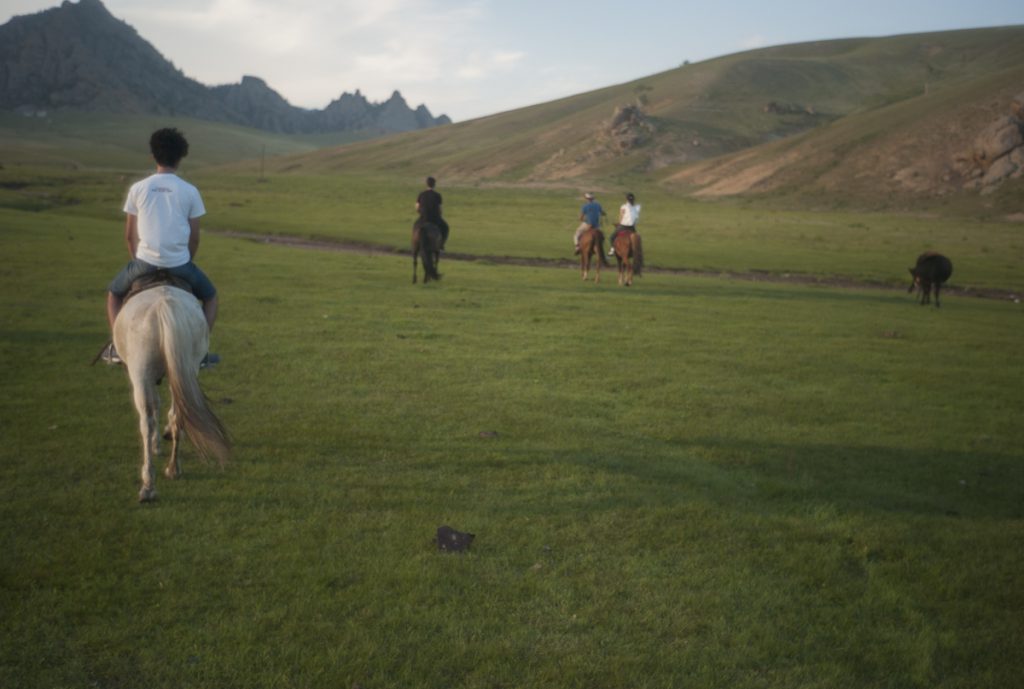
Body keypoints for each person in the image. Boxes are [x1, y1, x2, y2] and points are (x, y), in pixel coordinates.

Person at [102, 128, 218, 365]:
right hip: (180, 264)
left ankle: (117, 347)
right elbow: (195, 237)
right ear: (180, 157)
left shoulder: (138, 188)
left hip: (144, 263)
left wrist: (138, 260)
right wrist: (185, 260)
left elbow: (128, 235)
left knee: (114, 294)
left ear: (153, 155)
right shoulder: (190, 191)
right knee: (211, 297)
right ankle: (200, 350)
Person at [415, 176, 449, 250]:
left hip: (423, 218)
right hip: (434, 218)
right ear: (434, 184)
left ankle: (414, 244)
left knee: (415, 226)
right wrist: (439, 216)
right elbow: (440, 209)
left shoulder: (421, 194)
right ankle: (441, 244)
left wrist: (421, 213)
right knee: (445, 227)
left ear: (426, 184)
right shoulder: (437, 195)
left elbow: (417, 207)